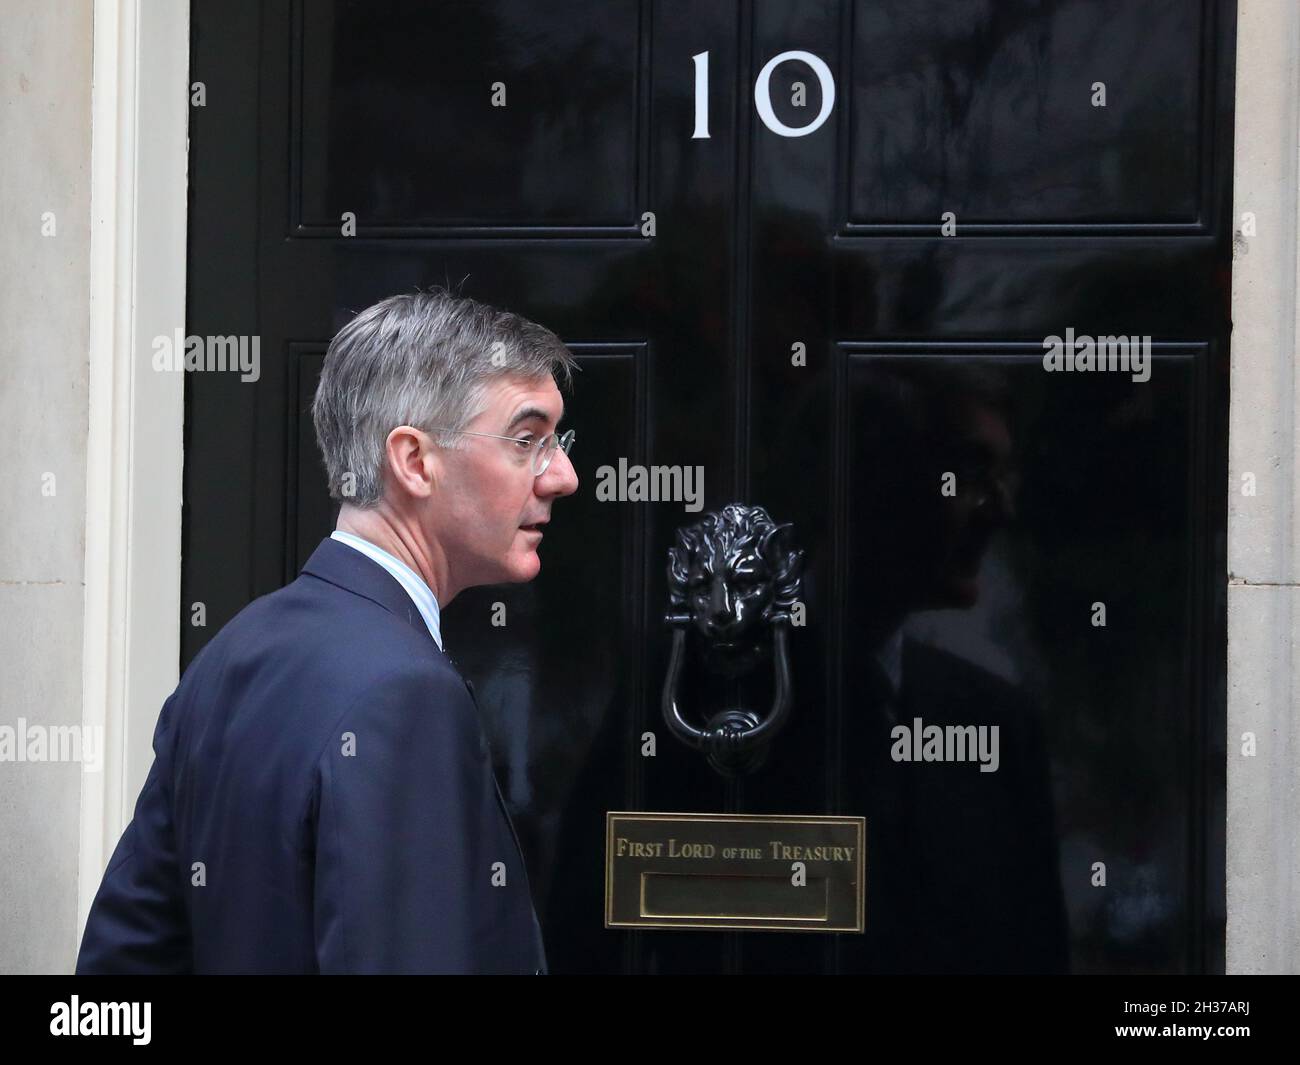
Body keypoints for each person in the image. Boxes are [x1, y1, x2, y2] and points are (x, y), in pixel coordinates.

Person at [75, 288, 579, 973]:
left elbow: (118, 976)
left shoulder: (232, 650)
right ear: (413, 460)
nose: (565, 476)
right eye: (528, 440)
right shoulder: (405, 692)